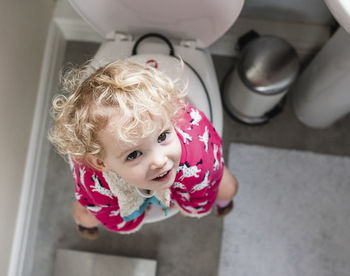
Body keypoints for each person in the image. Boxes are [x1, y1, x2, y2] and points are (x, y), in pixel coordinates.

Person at [48, 60, 238, 239]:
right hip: (108, 182)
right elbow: (106, 211)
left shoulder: (197, 150)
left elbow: (202, 190)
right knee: (85, 215)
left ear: (171, 119)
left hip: (193, 162)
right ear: (100, 162)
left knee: (227, 188)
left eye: (163, 136)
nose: (160, 160)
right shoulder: (92, 175)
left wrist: (190, 207)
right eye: (134, 154)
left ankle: (223, 203)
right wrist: (130, 217)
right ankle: (85, 224)